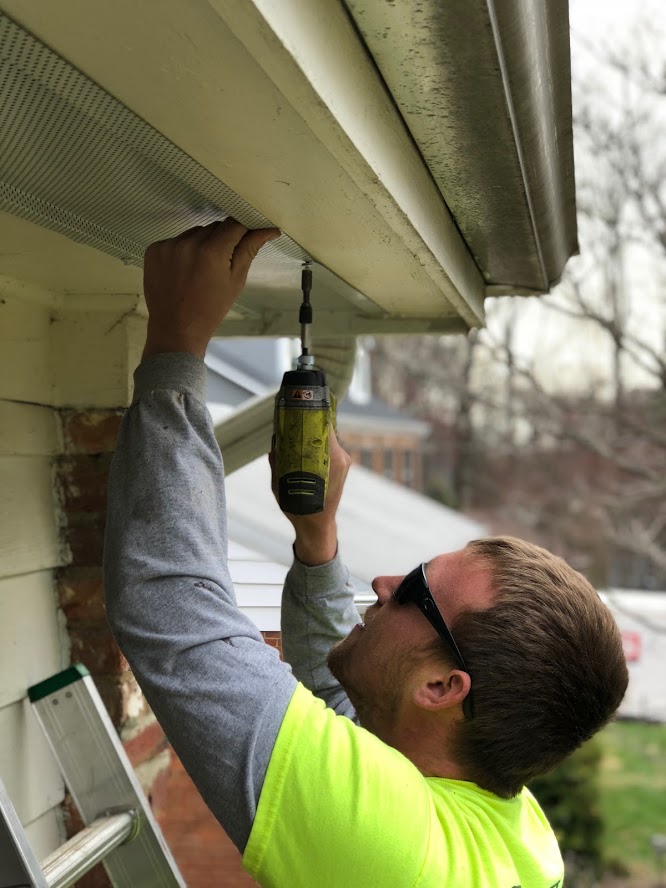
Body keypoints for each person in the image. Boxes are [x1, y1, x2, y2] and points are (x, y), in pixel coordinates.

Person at [104, 219, 629, 888]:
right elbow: (353, 719)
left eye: (412, 590)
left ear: (443, 686)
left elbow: (175, 612)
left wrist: (177, 343)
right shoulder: (510, 829)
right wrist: (318, 543)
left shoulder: (399, 856)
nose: (381, 582)